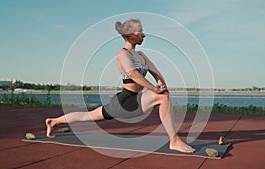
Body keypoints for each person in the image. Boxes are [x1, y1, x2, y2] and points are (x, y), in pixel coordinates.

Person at [45, 19, 195, 153]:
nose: (144, 35)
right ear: (130, 34)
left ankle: (54, 121)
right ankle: (174, 140)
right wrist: (155, 89)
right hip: (124, 103)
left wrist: (161, 83)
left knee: (89, 115)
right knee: (162, 98)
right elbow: (134, 75)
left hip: (134, 99)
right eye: (140, 31)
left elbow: (156, 72)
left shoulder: (141, 55)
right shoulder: (122, 54)